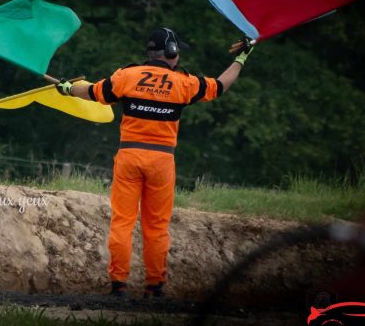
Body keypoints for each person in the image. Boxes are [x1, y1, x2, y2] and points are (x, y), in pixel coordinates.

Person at [56, 27, 253, 298]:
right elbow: (220, 86)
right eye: (177, 50)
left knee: (122, 222)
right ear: (171, 52)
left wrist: (67, 89)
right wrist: (241, 59)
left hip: (129, 157)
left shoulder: (126, 76)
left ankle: (118, 286)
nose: (179, 54)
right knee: (157, 226)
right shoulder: (184, 82)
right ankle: (155, 286)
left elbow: (91, 91)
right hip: (162, 161)